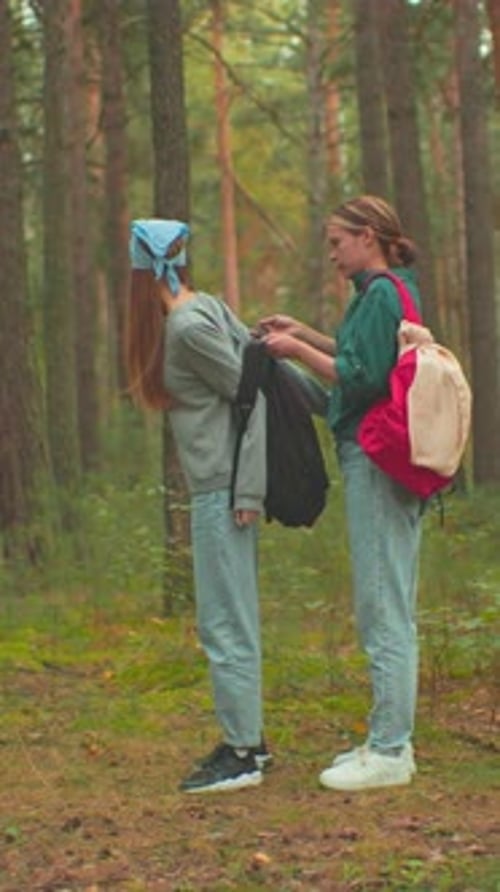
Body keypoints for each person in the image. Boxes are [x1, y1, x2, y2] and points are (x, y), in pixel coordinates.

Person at [260, 195, 423, 792]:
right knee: (389, 602)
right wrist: (305, 333)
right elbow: (359, 356)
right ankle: (388, 738)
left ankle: (389, 750)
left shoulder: (381, 293)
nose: (332, 254)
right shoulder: (380, 294)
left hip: (377, 459)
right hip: (381, 458)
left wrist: (297, 352)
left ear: (369, 236)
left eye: (337, 242)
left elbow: (362, 377)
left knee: (383, 607)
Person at [126, 218, 272, 794]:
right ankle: (247, 741)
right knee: (231, 615)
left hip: (222, 489)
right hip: (222, 486)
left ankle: (242, 754)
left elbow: (251, 390)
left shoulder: (186, 326)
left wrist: (247, 490)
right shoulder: (204, 307)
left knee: (223, 621)